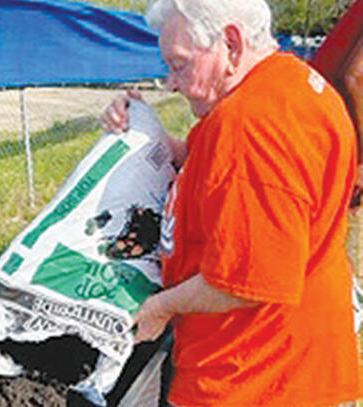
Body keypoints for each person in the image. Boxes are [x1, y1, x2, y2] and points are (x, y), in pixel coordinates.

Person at [100, 0, 362, 406]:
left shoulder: (249, 126)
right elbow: (219, 177)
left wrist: (160, 307)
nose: (171, 82)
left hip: (254, 378)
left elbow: (248, 284)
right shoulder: (291, 84)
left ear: (232, 44)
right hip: (301, 363)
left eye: (180, 64)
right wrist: (147, 134)